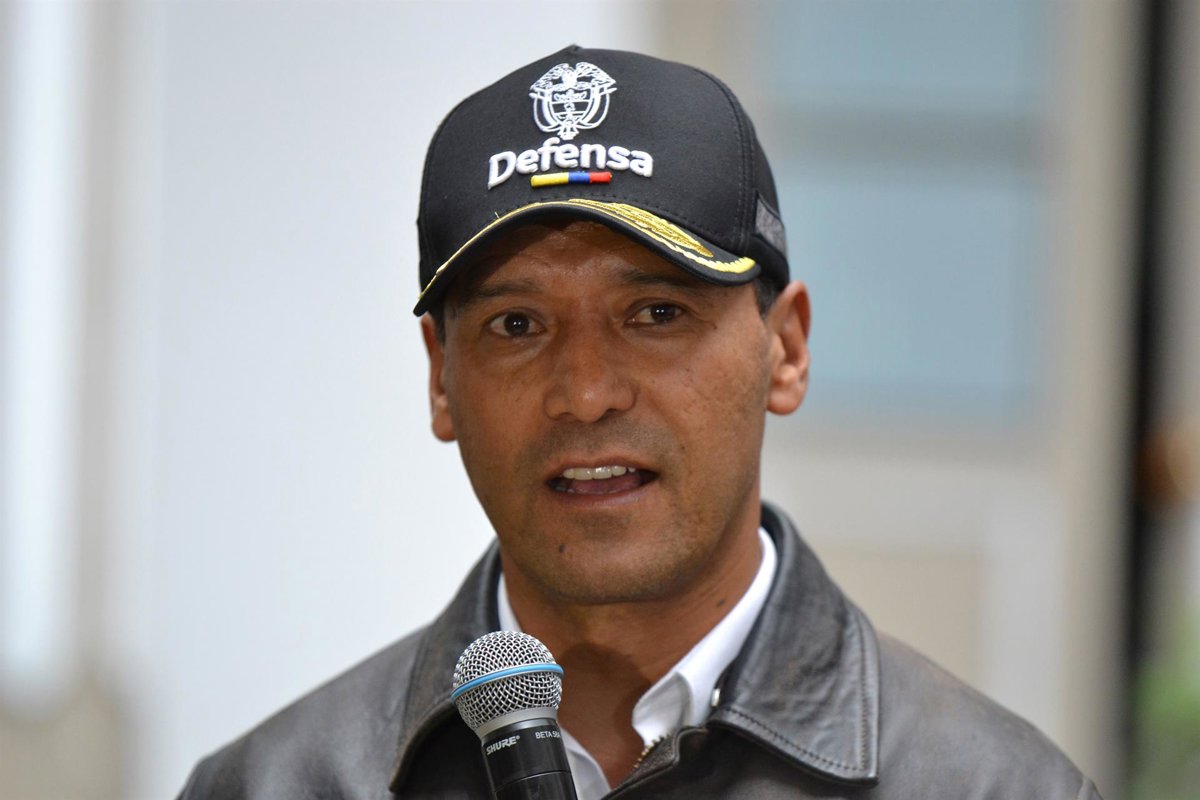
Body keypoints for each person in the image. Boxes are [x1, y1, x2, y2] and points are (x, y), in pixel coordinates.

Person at [178, 45, 1102, 799]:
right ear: (441, 380)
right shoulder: (279, 785)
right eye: (517, 325)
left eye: (656, 314)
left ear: (785, 350)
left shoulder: (993, 788)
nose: (586, 394)